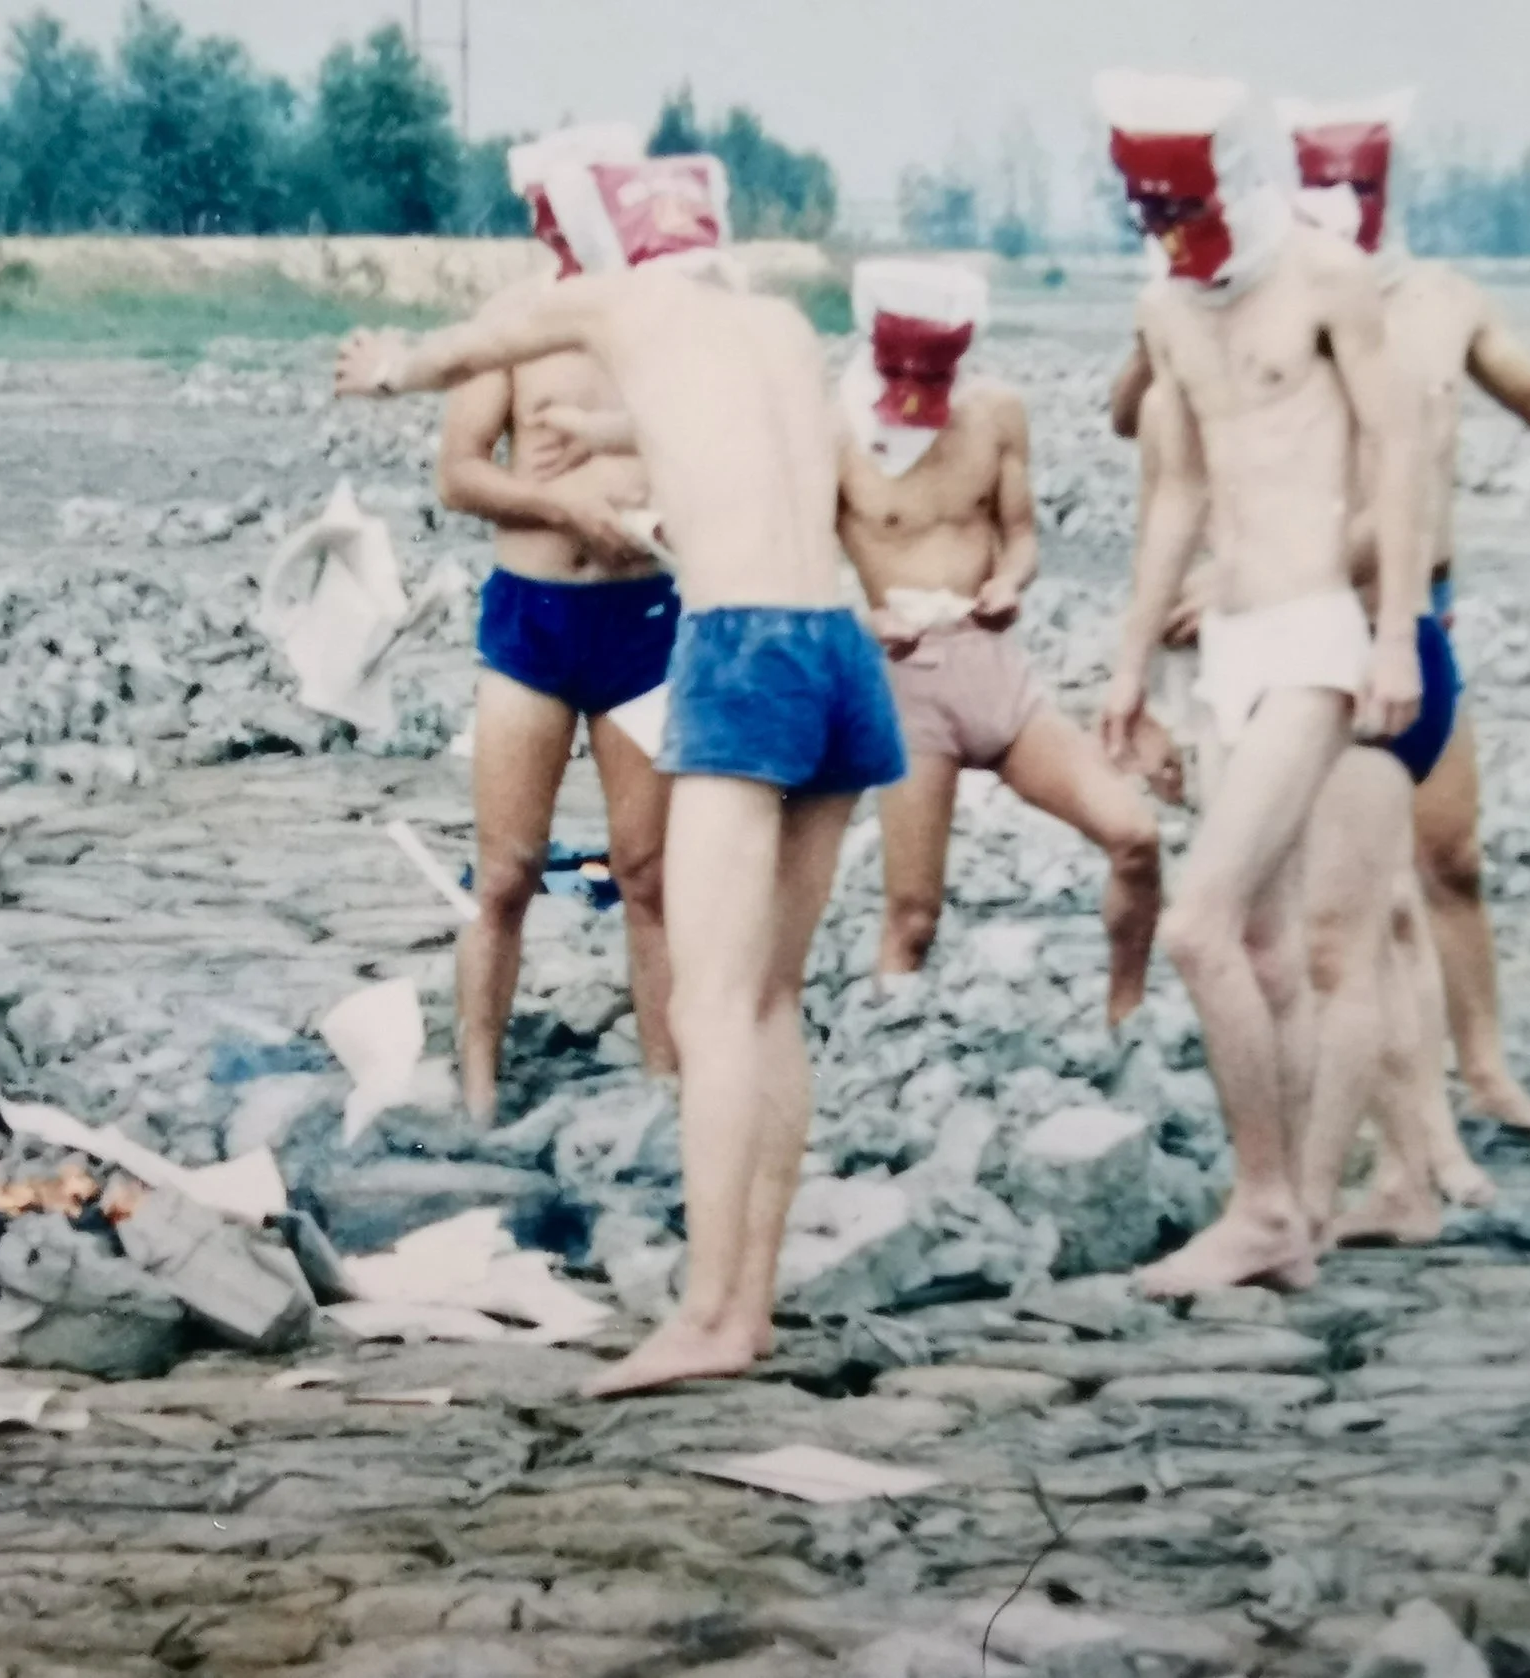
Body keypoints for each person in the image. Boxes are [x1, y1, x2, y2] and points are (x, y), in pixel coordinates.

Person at [335, 151, 907, 1396]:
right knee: (768, 1000)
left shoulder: (614, 300)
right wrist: (605, 430)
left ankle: (704, 1313)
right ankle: (746, 1305)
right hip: (836, 651)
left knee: (711, 1007)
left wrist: (391, 367)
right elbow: (767, 444)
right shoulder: (771, 319)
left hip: (738, 648)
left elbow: (478, 337)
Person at [1094, 72, 1426, 1297]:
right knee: (1269, 948)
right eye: (1153, 210)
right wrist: (1131, 666)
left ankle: (1264, 1205)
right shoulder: (1166, 303)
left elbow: (1395, 452)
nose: (1176, 232)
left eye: (1188, 206)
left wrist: (1392, 633)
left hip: (1315, 636)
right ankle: (1293, 1223)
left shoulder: (1326, 278)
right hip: (1224, 648)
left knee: (1195, 924)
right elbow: (1176, 489)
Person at [1285, 90, 1530, 1140]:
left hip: (1424, 611)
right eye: (1325, 181)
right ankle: (1363, 1115)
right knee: (1336, 890)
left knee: (1449, 858)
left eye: (1362, 181)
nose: (1346, 201)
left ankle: (1483, 1068)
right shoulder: (1283, 298)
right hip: (1311, 614)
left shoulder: (1444, 299)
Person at [835, 260, 1162, 1023]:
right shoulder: (836, 430)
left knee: (1136, 836)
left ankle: (1127, 1021)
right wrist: (863, 621)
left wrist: (1009, 584)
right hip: (906, 684)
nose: (918, 386)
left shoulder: (996, 412)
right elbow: (795, 572)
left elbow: (1020, 537)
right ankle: (888, 1051)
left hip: (997, 674)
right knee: (914, 915)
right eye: (901, 367)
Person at [436, 125, 680, 1121]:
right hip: (534, 623)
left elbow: (716, 446)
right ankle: (478, 1083)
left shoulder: (668, 323)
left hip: (646, 621)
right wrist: (567, 512)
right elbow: (458, 473)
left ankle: (667, 1083)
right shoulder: (511, 321)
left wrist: (662, 518)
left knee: (647, 872)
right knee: (504, 871)